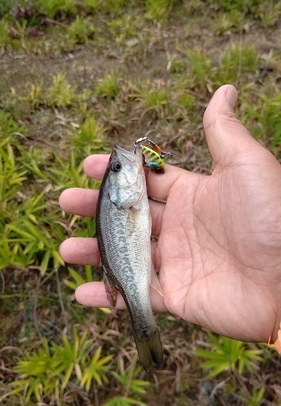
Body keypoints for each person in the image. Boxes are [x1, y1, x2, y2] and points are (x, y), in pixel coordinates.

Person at [59, 85, 281, 350]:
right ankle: (144, 328)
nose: (120, 162)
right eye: (118, 168)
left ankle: (145, 333)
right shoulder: (126, 201)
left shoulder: (129, 200)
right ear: (115, 195)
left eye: (115, 167)